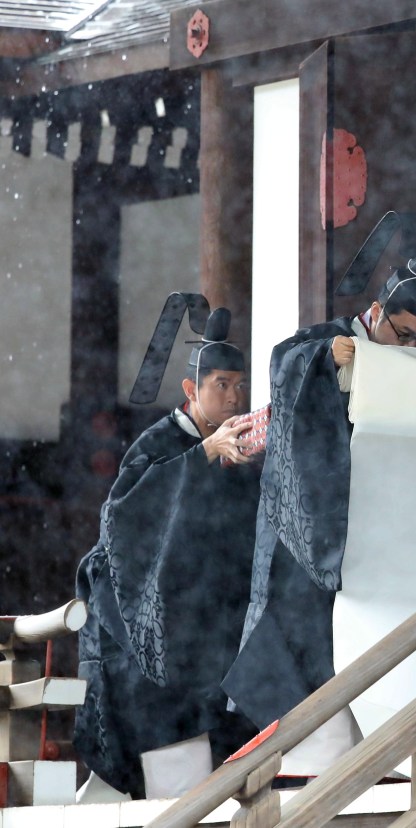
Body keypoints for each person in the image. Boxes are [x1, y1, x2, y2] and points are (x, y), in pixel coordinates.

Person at [222, 257, 416, 758]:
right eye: (405, 334)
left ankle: (369, 753)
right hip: (310, 523)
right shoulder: (324, 339)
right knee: (304, 633)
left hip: (377, 524)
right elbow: (283, 365)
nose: (414, 347)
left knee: (373, 639)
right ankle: (312, 756)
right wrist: (325, 358)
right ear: (375, 313)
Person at [74, 308, 261, 800]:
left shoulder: (239, 445)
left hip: (208, 622)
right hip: (150, 623)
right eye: (221, 384)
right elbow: (122, 519)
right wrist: (202, 456)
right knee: (171, 750)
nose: (233, 396)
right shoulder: (160, 444)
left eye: (240, 385)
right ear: (190, 389)